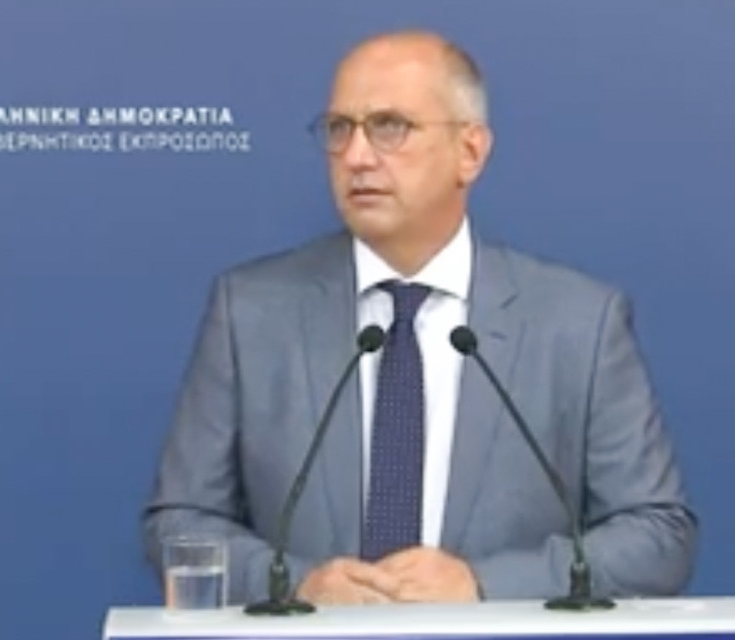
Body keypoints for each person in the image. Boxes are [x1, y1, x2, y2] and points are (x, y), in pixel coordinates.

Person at [142, 30, 696, 605]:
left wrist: (484, 585)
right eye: (339, 129)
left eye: (389, 126)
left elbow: (658, 536)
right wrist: (296, 584)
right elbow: (180, 522)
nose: (357, 156)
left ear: (470, 152)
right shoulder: (250, 311)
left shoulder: (578, 322)